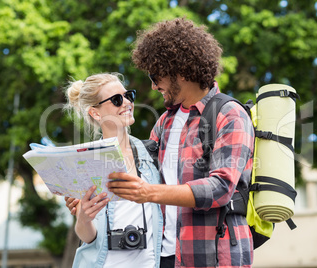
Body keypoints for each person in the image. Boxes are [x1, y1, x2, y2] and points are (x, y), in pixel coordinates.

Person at [107, 18, 255, 268]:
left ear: (182, 71)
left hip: (215, 258)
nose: (154, 86)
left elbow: (220, 187)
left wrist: (148, 193)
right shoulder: (165, 121)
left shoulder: (230, 115)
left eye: (156, 76)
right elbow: (138, 170)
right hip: (164, 257)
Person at [64, 73, 163, 268]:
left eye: (128, 96)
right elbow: (89, 237)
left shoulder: (152, 153)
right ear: (96, 113)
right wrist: (83, 218)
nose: (127, 103)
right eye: (117, 100)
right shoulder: (84, 163)